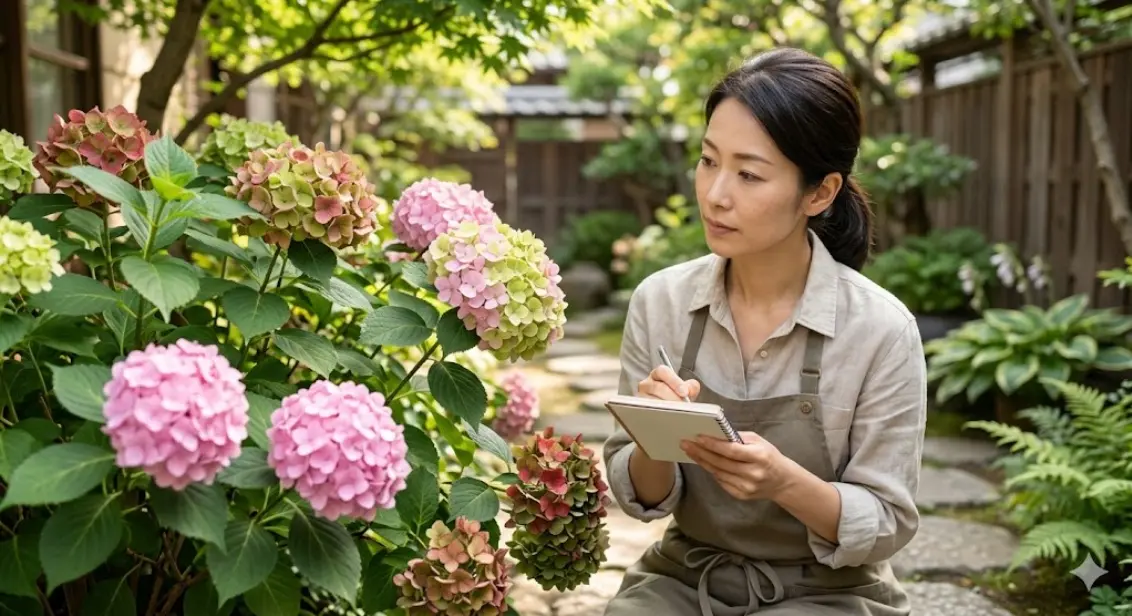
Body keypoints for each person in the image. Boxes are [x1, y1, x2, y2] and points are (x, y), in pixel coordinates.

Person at [601, 47, 927, 616]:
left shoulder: (881, 330)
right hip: (685, 577)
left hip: (831, 591)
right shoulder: (661, 302)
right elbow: (643, 497)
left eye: (749, 174)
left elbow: (888, 521)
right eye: (708, 161)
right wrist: (655, 438)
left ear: (820, 193)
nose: (715, 194)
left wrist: (782, 482)